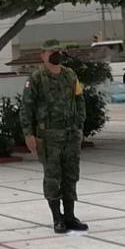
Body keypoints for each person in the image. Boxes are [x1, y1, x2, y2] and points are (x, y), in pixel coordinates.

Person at [21, 46, 88, 234]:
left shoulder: (70, 75)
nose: (56, 54)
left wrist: (79, 125)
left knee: (71, 175)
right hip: (49, 136)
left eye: (58, 50)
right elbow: (26, 107)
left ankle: (70, 216)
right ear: (43, 55)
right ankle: (57, 218)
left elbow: (79, 100)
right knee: (52, 177)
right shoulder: (36, 78)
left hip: (70, 134)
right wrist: (28, 134)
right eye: (51, 51)